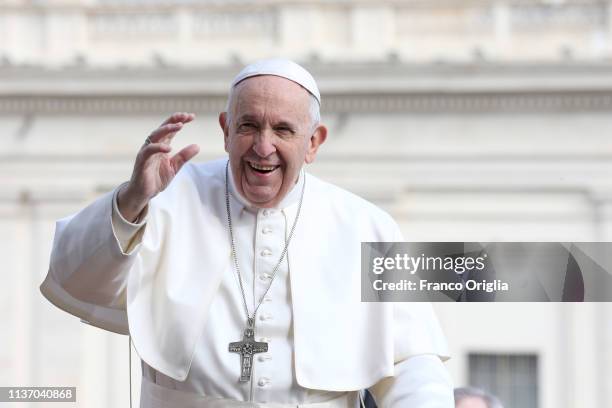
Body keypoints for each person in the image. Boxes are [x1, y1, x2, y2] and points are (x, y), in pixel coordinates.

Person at [41, 58, 454, 407]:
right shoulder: (165, 200)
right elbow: (74, 277)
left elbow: (413, 362)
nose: (263, 146)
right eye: (249, 126)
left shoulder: (369, 226)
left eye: (284, 130)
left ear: (314, 142)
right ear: (225, 129)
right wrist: (132, 200)